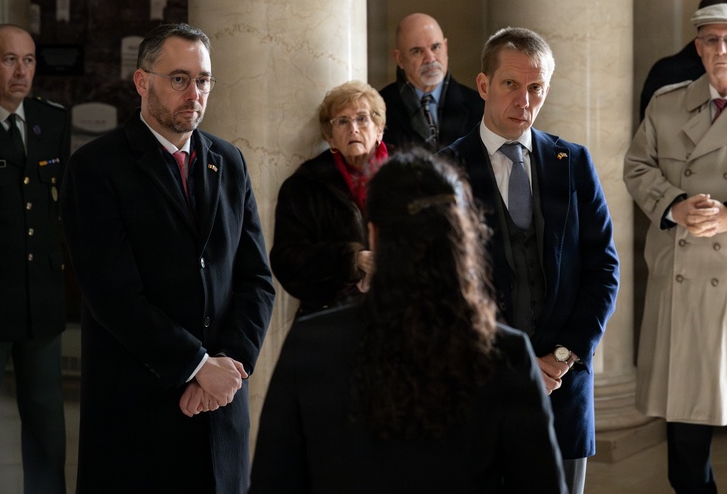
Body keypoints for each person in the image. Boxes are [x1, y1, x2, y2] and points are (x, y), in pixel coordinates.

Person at [250, 149, 567, 493]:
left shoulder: (310, 344)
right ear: (462, 235)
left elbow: (273, 482)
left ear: (374, 235)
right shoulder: (507, 353)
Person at [59, 23, 276, 494]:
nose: (194, 93)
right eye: (179, 79)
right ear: (142, 82)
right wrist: (196, 365)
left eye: (203, 80)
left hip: (221, 412)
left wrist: (228, 369)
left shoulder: (229, 160)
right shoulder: (96, 168)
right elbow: (113, 296)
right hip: (141, 410)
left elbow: (256, 279)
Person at [624, 3, 727, 493]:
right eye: (711, 40)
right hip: (681, 280)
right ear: (697, 47)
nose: (721, 49)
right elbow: (637, 167)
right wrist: (673, 204)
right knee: (686, 423)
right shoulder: (665, 103)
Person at [443, 27, 619, 494]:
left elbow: (603, 270)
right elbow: (439, 286)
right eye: (511, 84)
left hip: (561, 390)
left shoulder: (574, 162)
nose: (525, 100)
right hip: (481, 393)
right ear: (484, 85)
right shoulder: (446, 170)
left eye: (536, 87)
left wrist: (559, 360)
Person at [0, 24, 69, 494]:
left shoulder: (51, 120)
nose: (21, 71)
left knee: (48, 430)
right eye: (10, 60)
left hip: (41, 299)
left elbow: (62, 210)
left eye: (29, 60)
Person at [270, 80, 387, 314]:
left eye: (362, 118)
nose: (353, 128)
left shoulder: (409, 175)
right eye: (342, 121)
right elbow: (287, 261)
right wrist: (351, 259)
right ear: (331, 138)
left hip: (400, 314)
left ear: (379, 129)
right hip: (333, 316)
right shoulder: (305, 184)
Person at [379, 12, 484, 150]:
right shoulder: (379, 108)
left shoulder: (479, 107)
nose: (430, 59)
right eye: (417, 51)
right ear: (399, 58)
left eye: (435, 47)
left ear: (445, 47)